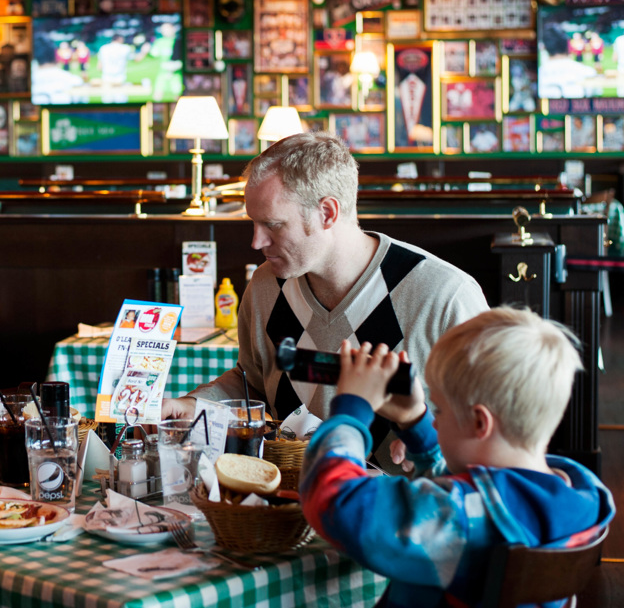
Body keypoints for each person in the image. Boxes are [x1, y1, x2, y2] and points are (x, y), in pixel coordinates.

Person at [161, 132, 488, 468]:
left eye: (272, 225)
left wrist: (433, 436)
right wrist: (196, 404)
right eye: (254, 223)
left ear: (328, 212)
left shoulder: (446, 295)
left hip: (406, 510)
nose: (256, 241)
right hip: (290, 503)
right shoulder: (265, 284)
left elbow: (495, 425)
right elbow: (252, 384)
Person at [300, 307, 615, 607]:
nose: (435, 421)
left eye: (439, 410)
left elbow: (335, 504)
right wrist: (413, 420)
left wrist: (352, 411)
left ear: (480, 423)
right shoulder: (577, 493)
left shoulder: (463, 519)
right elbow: (461, 498)